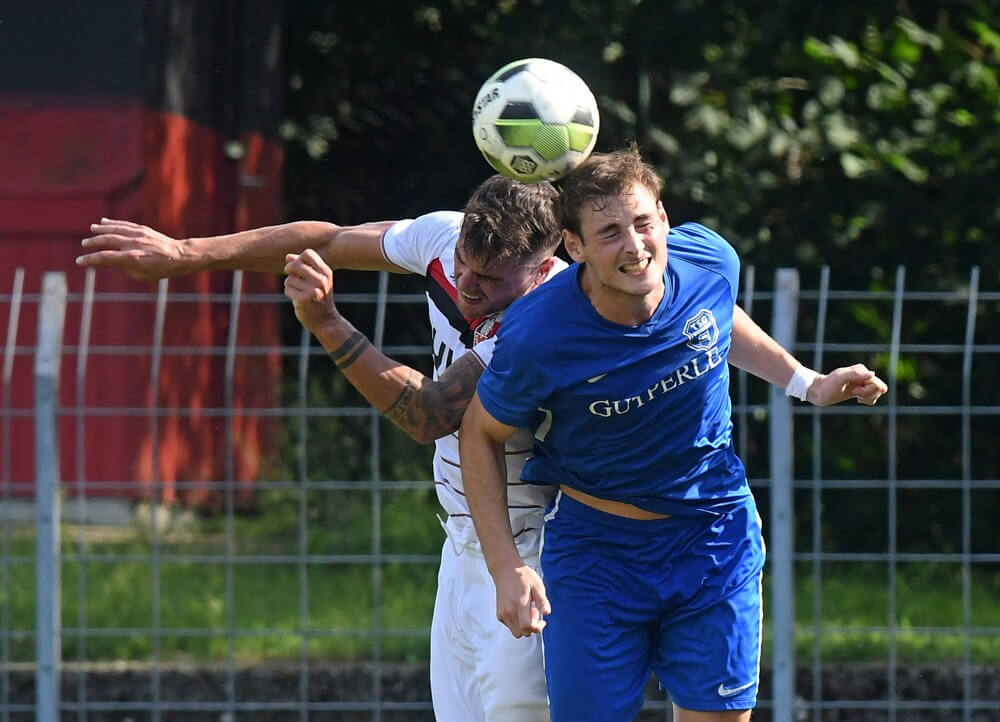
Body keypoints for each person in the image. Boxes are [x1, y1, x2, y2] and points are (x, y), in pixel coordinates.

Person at [78, 175, 565, 722]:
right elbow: (328, 241)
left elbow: (429, 414)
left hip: (533, 559)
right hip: (460, 545)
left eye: (491, 278)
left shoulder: (550, 317)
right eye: (463, 264)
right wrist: (185, 253)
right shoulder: (445, 238)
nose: (467, 285)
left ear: (543, 268)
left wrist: (327, 323)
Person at [459, 146, 888, 722]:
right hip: (597, 555)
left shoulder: (711, 259)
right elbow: (478, 434)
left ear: (664, 217)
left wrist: (808, 384)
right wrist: (506, 568)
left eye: (643, 223)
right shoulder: (538, 334)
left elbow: (716, 316)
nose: (635, 247)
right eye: (609, 233)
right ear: (574, 247)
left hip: (714, 536)